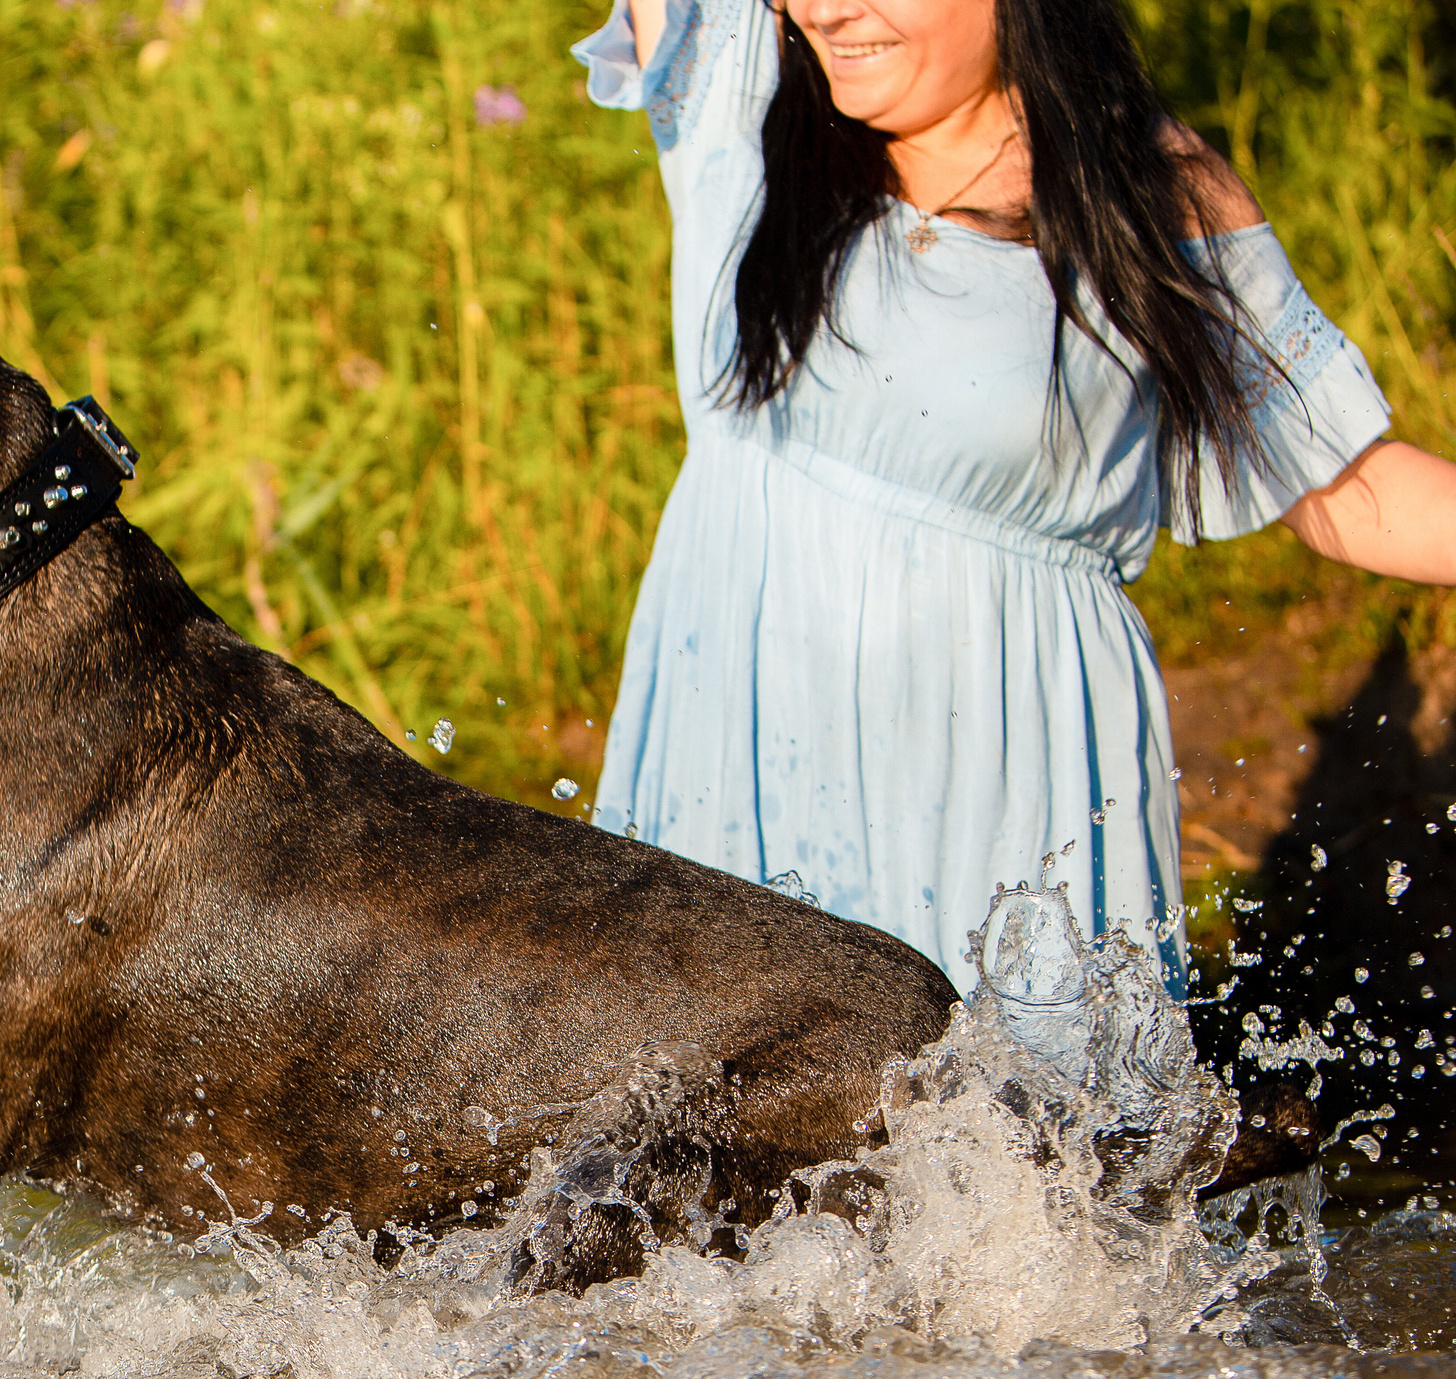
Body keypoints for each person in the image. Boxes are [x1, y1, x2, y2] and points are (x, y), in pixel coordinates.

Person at [575, 0, 1456, 993]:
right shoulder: (745, 89)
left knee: (1008, 1135)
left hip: (1001, 801)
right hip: (729, 792)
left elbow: (1349, 488)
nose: (824, 9)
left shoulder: (1147, 190)